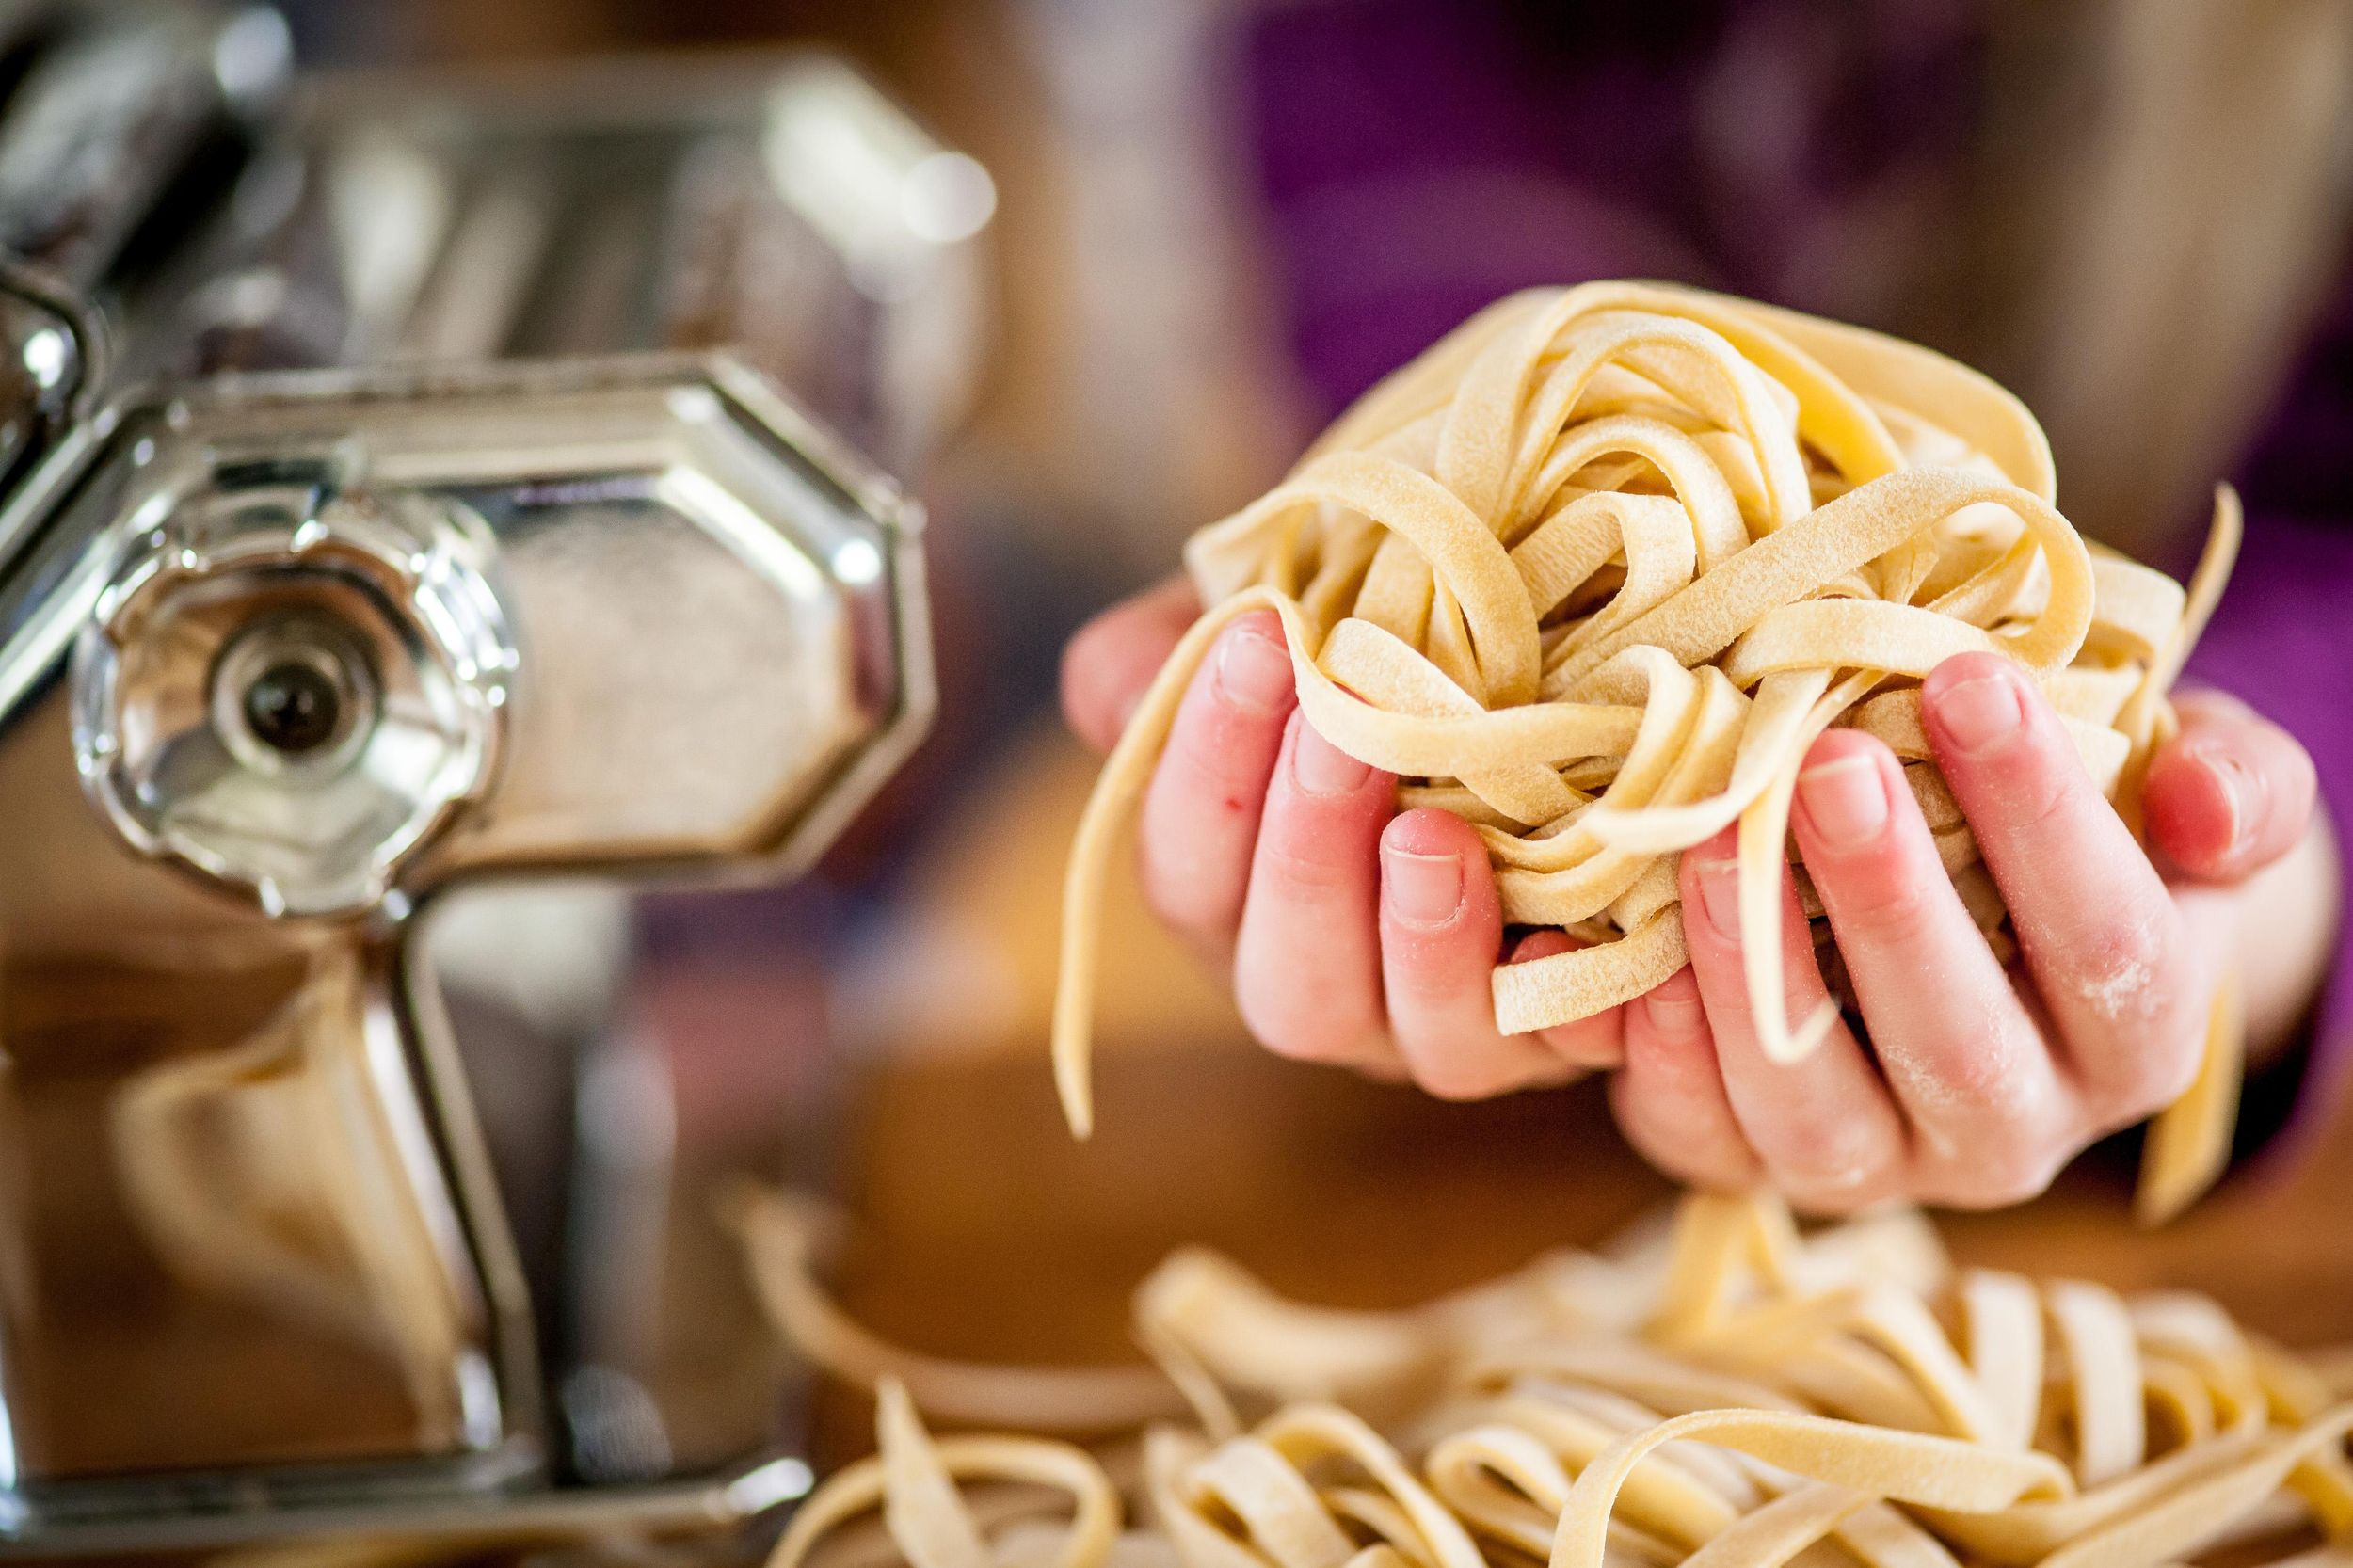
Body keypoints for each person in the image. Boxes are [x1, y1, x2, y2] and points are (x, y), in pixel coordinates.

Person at [1055, 0, 2345, 1213]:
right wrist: (1461, 591)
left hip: (2085, 1189)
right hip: (1470, 1161)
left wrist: (2255, 864)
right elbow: (1414, 183)